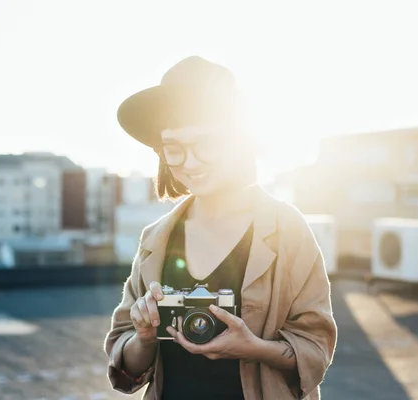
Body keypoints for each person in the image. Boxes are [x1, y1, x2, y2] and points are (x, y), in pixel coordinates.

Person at [104, 56, 337, 400]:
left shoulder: (287, 229)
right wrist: (143, 336)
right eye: (174, 149)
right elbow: (128, 368)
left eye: (206, 143)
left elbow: (316, 350)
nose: (191, 162)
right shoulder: (155, 238)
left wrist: (252, 347)